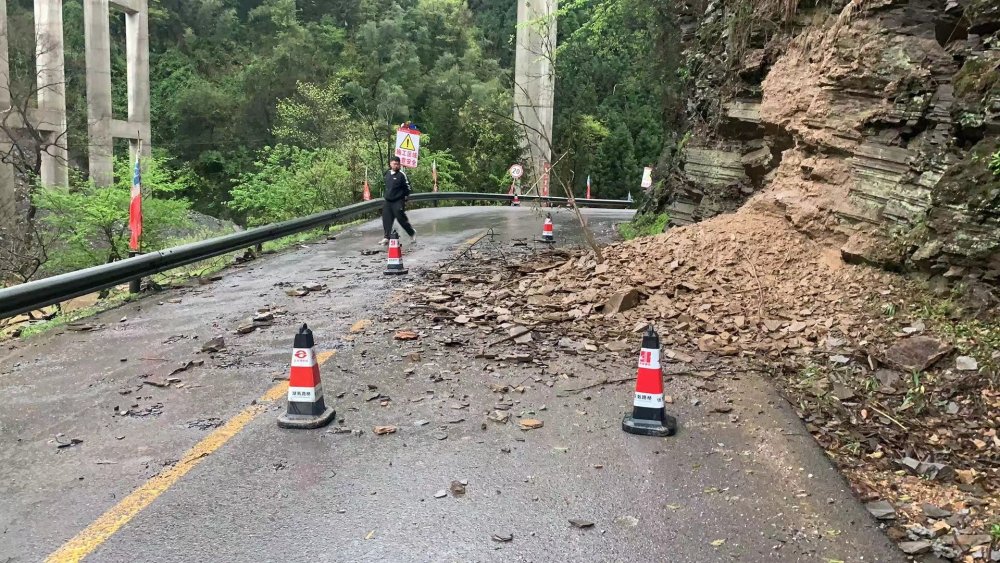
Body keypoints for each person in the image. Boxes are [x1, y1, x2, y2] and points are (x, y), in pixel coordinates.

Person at [380, 156, 416, 245]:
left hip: (398, 200)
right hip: (388, 200)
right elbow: (385, 186)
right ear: (390, 164)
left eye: (397, 164)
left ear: (399, 165)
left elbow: (408, 187)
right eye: (394, 164)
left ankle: (411, 232)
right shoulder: (387, 173)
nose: (396, 166)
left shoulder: (401, 175)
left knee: (400, 218)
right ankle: (386, 237)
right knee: (386, 218)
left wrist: (406, 197)